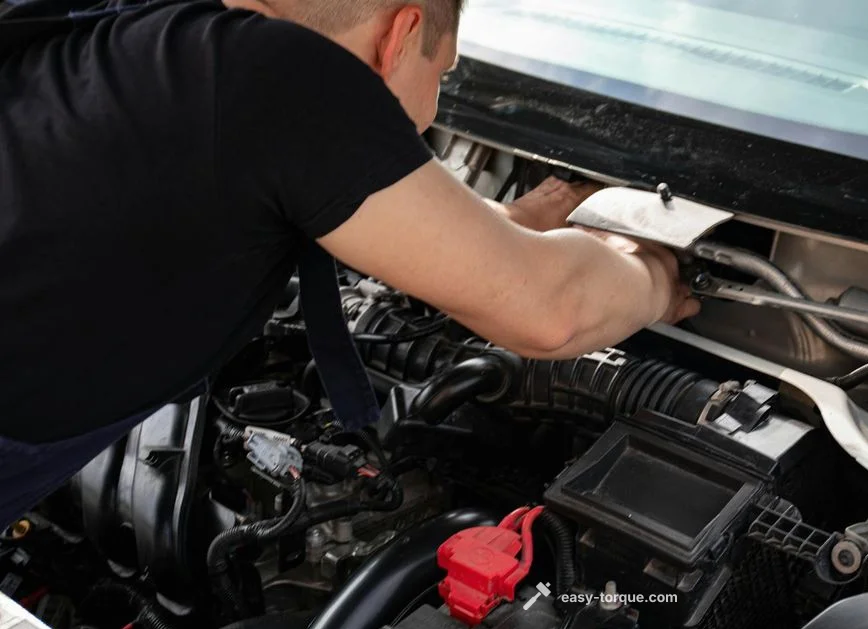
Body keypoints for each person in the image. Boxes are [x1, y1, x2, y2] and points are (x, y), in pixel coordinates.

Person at [0, 0, 699, 527]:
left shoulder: (168, 44)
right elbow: (553, 312)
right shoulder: (288, 76)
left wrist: (503, 226)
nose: (429, 112)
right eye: (442, 72)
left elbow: (322, 175)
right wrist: (660, 272)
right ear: (399, 35)